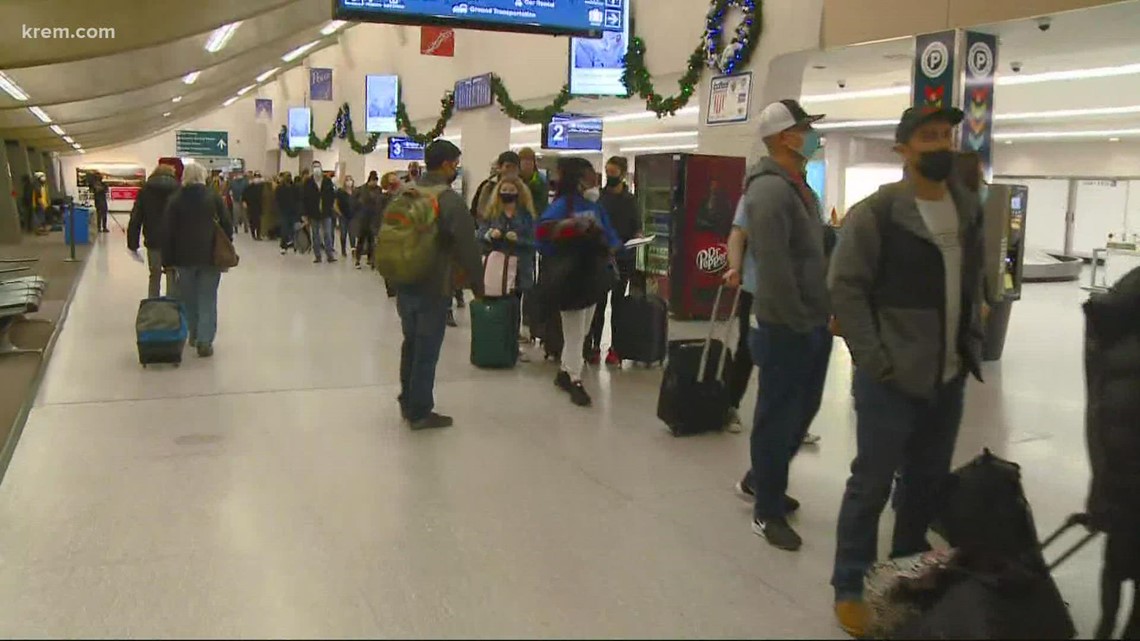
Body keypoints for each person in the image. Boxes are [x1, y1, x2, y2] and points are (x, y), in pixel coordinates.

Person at [828, 106, 986, 638]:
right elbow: (846, 288)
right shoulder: (878, 213)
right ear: (903, 149)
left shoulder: (966, 210)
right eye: (928, 137)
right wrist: (876, 360)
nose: (940, 144)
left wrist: (972, 342)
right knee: (871, 484)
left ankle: (906, 573)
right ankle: (850, 584)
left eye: (946, 135)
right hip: (891, 380)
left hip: (948, 375)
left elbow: (972, 283)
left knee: (925, 484)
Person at [722, 99, 831, 552]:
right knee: (778, 413)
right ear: (786, 137)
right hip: (785, 322)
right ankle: (766, 512)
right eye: (806, 128)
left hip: (809, 319)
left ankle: (759, 478)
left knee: (801, 409)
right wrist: (797, 323)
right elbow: (774, 265)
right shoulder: (768, 192)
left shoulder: (799, 187)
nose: (813, 135)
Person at [394, 140, 484, 430]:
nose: (456, 169)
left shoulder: (405, 193)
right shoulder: (449, 200)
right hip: (434, 284)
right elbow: (468, 247)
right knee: (427, 348)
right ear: (446, 164)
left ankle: (408, 400)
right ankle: (420, 411)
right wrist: (479, 287)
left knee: (411, 343)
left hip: (405, 280)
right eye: (455, 164)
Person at [536, 157, 623, 408]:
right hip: (571, 277)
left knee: (583, 328)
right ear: (577, 179)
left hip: (592, 276)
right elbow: (543, 234)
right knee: (574, 332)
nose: (594, 180)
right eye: (589, 175)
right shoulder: (563, 205)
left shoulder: (596, 206)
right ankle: (574, 378)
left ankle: (565, 371)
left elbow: (610, 234)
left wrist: (612, 246)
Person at [159, 163, 233, 358]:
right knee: (208, 298)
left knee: (189, 299)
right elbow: (227, 223)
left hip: (183, 258)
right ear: (203, 176)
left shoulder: (175, 200)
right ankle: (205, 341)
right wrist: (225, 245)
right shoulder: (213, 197)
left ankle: (194, 334)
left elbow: (167, 232)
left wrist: (167, 261)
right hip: (210, 256)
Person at [585, 156, 641, 365]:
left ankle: (615, 348)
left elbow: (637, 227)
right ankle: (594, 346)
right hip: (601, 257)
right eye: (607, 172)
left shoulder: (630, 201)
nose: (610, 176)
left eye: (614, 172)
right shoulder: (599, 199)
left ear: (623, 174)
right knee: (599, 305)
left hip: (623, 259)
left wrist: (636, 240)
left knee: (618, 305)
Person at [478, 176, 538, 361]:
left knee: (515, 306)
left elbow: (535, 241)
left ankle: (513, 344)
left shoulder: (527, 216)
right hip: (498, 268)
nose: (508, 194)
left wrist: (518, 239)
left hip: (520, 267)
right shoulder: (492, 213)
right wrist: (489, 235)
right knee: (499, 305)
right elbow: (480, 235)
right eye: (505, 190)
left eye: (512, 191)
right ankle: (497, 342)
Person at [127, 164, 180, 298]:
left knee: (154, 274)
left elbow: (136, 218)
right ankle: (171, 307)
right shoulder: (178, 189)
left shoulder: (145, 190)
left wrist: (132, 244)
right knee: (172, 273)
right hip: (173, 241)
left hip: (153, 239)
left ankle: (153, 304)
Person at [303, 162, 337, 263]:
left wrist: (330, 207)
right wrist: (305, 213)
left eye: (318, 167)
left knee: (328, 233)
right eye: (314, 167)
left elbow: (332, 195)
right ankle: (317, 256)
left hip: (326, 211)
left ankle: (329, 255)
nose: (316, 169)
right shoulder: (308, 182)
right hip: (313, 212)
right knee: (315, 235)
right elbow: (305, 198)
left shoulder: (327, 181)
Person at [354, 171, 384, 269]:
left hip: (374, 218)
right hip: (363, 218)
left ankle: (370, 259)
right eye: (373, 181)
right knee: (361, 240)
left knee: (372, 241)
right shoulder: (361, 189)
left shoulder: (379, 190)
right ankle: (357, 259)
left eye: (376, 181)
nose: (374, 183)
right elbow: (354, 201)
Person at [517, 147, 550, 215]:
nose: (527, 163)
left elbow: (542, 204)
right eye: (524, 160)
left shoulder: (540, 179)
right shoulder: (515, 179)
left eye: (530, 160)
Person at [275, 171, 299, 253]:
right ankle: (284, 243)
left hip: (292, 210)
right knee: (285, 228)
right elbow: (277, 199)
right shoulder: (280, 188)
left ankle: (292, 243)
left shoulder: (294, 187)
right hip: (284, 210)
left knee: (292, 228)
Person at [336, 175, 357, 259]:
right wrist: (339, 213)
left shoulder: (355, 192)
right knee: (343, 234)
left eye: (350, 180)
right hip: (343, 216)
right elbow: (335, 203)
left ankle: (353, 250)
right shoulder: (340, 192)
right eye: (347, 180)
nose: (349, 182)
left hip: (352, 216)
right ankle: (343, 250)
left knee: (352, 234)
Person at [242, 173, 265, 241]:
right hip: (251, 206)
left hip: (257, 205)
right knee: (253, 221)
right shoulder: (249, 187)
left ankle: (257, 235)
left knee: (257, 221)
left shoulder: (261, 187)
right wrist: (244, 202)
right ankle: (254, 234)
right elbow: (244, 196)